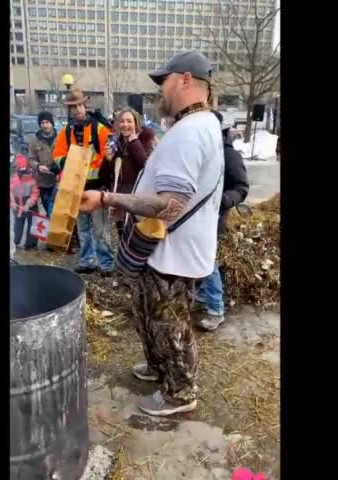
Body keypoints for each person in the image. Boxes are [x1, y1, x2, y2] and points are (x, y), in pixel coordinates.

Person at [79, 52, 223, 416]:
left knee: (170, 324)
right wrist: (125, 202)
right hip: (166, 249)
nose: (160, 89)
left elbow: (170, 203)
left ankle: (180, 392)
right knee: (149, 316)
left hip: (173, 251)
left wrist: (109, 198)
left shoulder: (192, 130)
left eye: (165, 80)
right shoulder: (193, 126)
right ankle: (160, 369)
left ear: (186, 80)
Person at [194, 113, 250, 331]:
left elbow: (242, 187)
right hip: (195, 217)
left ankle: (216, 309)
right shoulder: (201, 152)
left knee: (209, 260)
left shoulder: (229, 155)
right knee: (197, 257)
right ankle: (202, 296)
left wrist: (223, 200)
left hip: (215, 217)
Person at [52, 88, 113, 275]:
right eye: (72, 107)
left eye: (79, 105)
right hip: (75, 188)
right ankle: (88, 261)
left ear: (85, 106)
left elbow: (108, 156)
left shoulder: (100, 129)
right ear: (69, 110)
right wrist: (70, 161)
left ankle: (106, 264)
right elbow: (57, 155)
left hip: (96, 187)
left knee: (100, 229)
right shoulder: (66, 131)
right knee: (84, 229)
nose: (76, 110)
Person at [105, 107, 155, 239]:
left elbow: (145, 166)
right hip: (120, 196)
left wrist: (134, 143)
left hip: (136, 196)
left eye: (129, 121)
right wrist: (108, 160)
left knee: (135, 235)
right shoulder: (116, 143)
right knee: (122, 234)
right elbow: (107, 174)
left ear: (136, 123)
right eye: (122, 121)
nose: (125, 125)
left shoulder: (144, 140)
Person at [28, 111, 60, 216]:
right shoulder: (34, 141)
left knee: (56, 211)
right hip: (43, 182)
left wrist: (60, 170)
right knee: (48, 208)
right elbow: (31, 159)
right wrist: (37, 166)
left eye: (47, 122)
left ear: (52, 123)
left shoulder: (60, 138)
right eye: (42, 123)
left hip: (58, 181)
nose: (45, 125)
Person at [10, 154, 40, 250]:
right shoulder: (13, 180)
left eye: (25, 168)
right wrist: (12, 203)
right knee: (18, 226)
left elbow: (35, 193)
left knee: (33, 226)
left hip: (31, 207)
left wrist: (29, 204)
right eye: (21, 168)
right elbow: (10, 192)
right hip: (18, 207)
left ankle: (31, 244)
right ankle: (16, 241)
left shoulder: (32, 178)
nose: (23, 171)